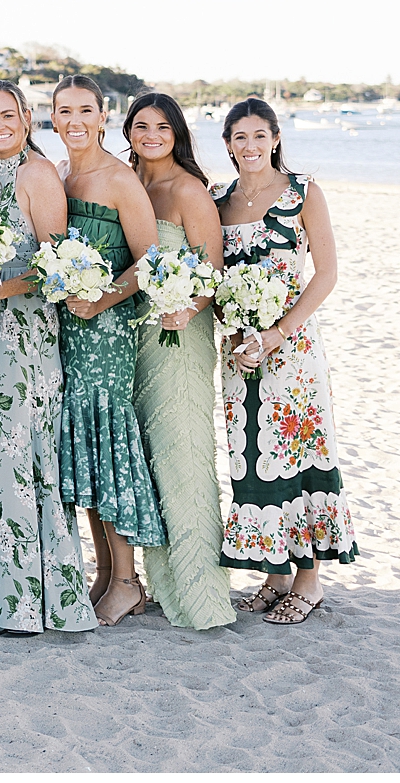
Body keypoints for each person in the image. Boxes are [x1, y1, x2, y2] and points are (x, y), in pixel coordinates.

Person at [215, 98, 359, 626]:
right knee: (252, 454)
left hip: (292, 349)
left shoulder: (303, 193)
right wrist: (237, 331)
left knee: (299, 453)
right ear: (228, 145)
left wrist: (277, 333)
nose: (249, 147)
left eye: (259, 136)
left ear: (275, 138)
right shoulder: (220, 200)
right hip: (237, 351)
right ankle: (275, 574)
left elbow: (325, 274)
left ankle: (309, 580)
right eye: (239, 138)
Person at [0, 80, 99, 634]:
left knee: (24, 459)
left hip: (25, 336)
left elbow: (56, 268)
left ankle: (34, 603)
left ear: (25, 116)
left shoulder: (37, 173)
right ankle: (11, 597)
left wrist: (0, 288)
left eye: (7, 115)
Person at [49, 75, 163, 627]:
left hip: (107, 330)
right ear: (52, 118)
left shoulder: (119, 178)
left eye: (84, 110)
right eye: (64, 111)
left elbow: (151, 260)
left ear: (101, 115)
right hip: (66, 330)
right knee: (86, 448)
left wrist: (103, 300)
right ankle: (104, 573)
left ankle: (126, 580)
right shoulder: (61, 176)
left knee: (107, 440)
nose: (74, 120)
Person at [124, 92, 235, 631]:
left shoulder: (189, 191)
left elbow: (212, 273)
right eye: (141, 126)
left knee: (185, 453)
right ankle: (163, 579)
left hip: (180, 337)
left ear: (178, 134)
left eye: (162, 127)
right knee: (150, 457)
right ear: (127, 132)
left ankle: (203, 591)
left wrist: (184, 308)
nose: (151, 135)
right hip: (136, 337)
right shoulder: (132, 186)